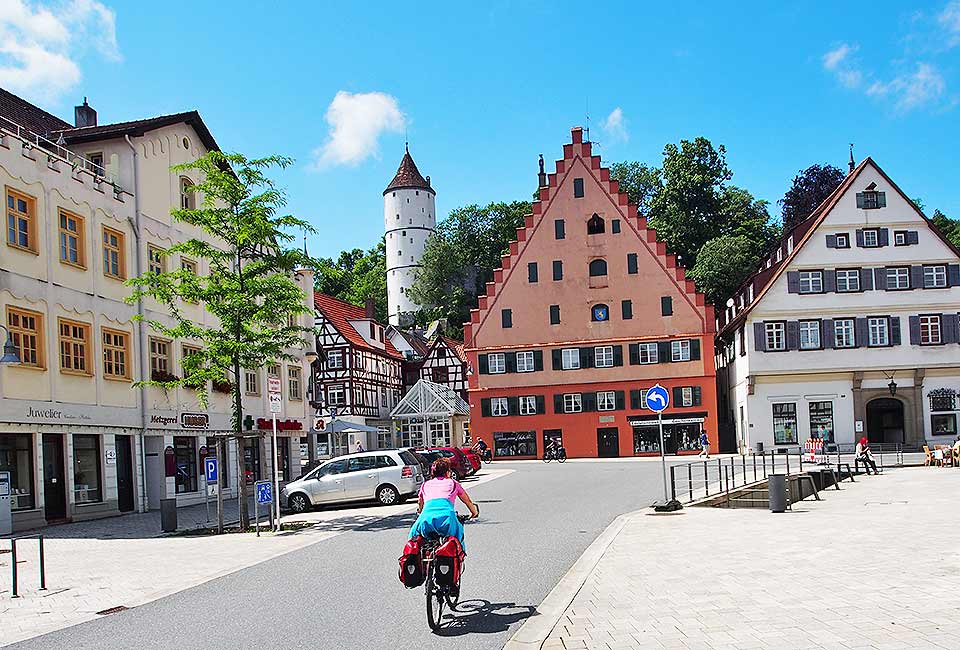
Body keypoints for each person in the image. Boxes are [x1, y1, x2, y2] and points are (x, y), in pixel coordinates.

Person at [409, 458, 479, 551]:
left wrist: (420, 512)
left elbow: (420, 503)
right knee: (458, 540)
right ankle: (459, 558)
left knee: (413, 538)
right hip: (447, 521)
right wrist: (474, 513)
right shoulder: (453, 483)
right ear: (447, 472)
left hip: (426, 520)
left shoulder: (425, 485)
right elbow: (467, 501)